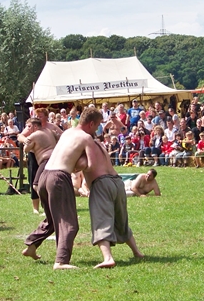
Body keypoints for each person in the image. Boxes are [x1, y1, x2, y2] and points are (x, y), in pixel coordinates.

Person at [22, 108, 104, 270]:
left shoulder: (67, 132)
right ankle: (61, 261)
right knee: (69, 223)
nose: (97, 130)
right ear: (91, 123)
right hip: (59, 177)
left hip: (44, 175)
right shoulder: (86, 138)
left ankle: (31, 245)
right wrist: (80, 165)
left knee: (53, 218)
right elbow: (91, 165)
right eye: (97, 126)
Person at [80, 135, 144, 268]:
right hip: (117, 182)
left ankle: (108, 258)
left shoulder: (86, 147)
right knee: (121, 221)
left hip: (102, 183)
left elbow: (85, 165)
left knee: (101, 221)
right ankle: (137, 252)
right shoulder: (100, 145)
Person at [18, 118, 57, 214]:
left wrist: (28, 144)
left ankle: (48, 208)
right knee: (47, 184)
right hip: (55, 159)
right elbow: (58, 137)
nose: (27, 129)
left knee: (36, 185)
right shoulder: (49, 131)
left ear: (35, 126)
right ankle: (50, 207)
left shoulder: (34, 135)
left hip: (45, 160)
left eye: (29, 126)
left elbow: (26, 150)